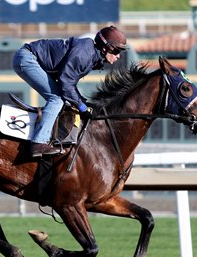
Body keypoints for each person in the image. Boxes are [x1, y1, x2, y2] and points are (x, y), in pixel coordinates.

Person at [12, 25, 128, 158]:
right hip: (27, 58)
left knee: (64, 99)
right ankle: (39, 143)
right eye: (117, 51)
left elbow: (69, 84)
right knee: (56, 99)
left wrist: (82, 103)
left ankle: (49, 134)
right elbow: (66, 83)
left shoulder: (91, 55)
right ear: (105, 47)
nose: (118, 56)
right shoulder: (85, 54)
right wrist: (82, 106)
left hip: (30, 57)